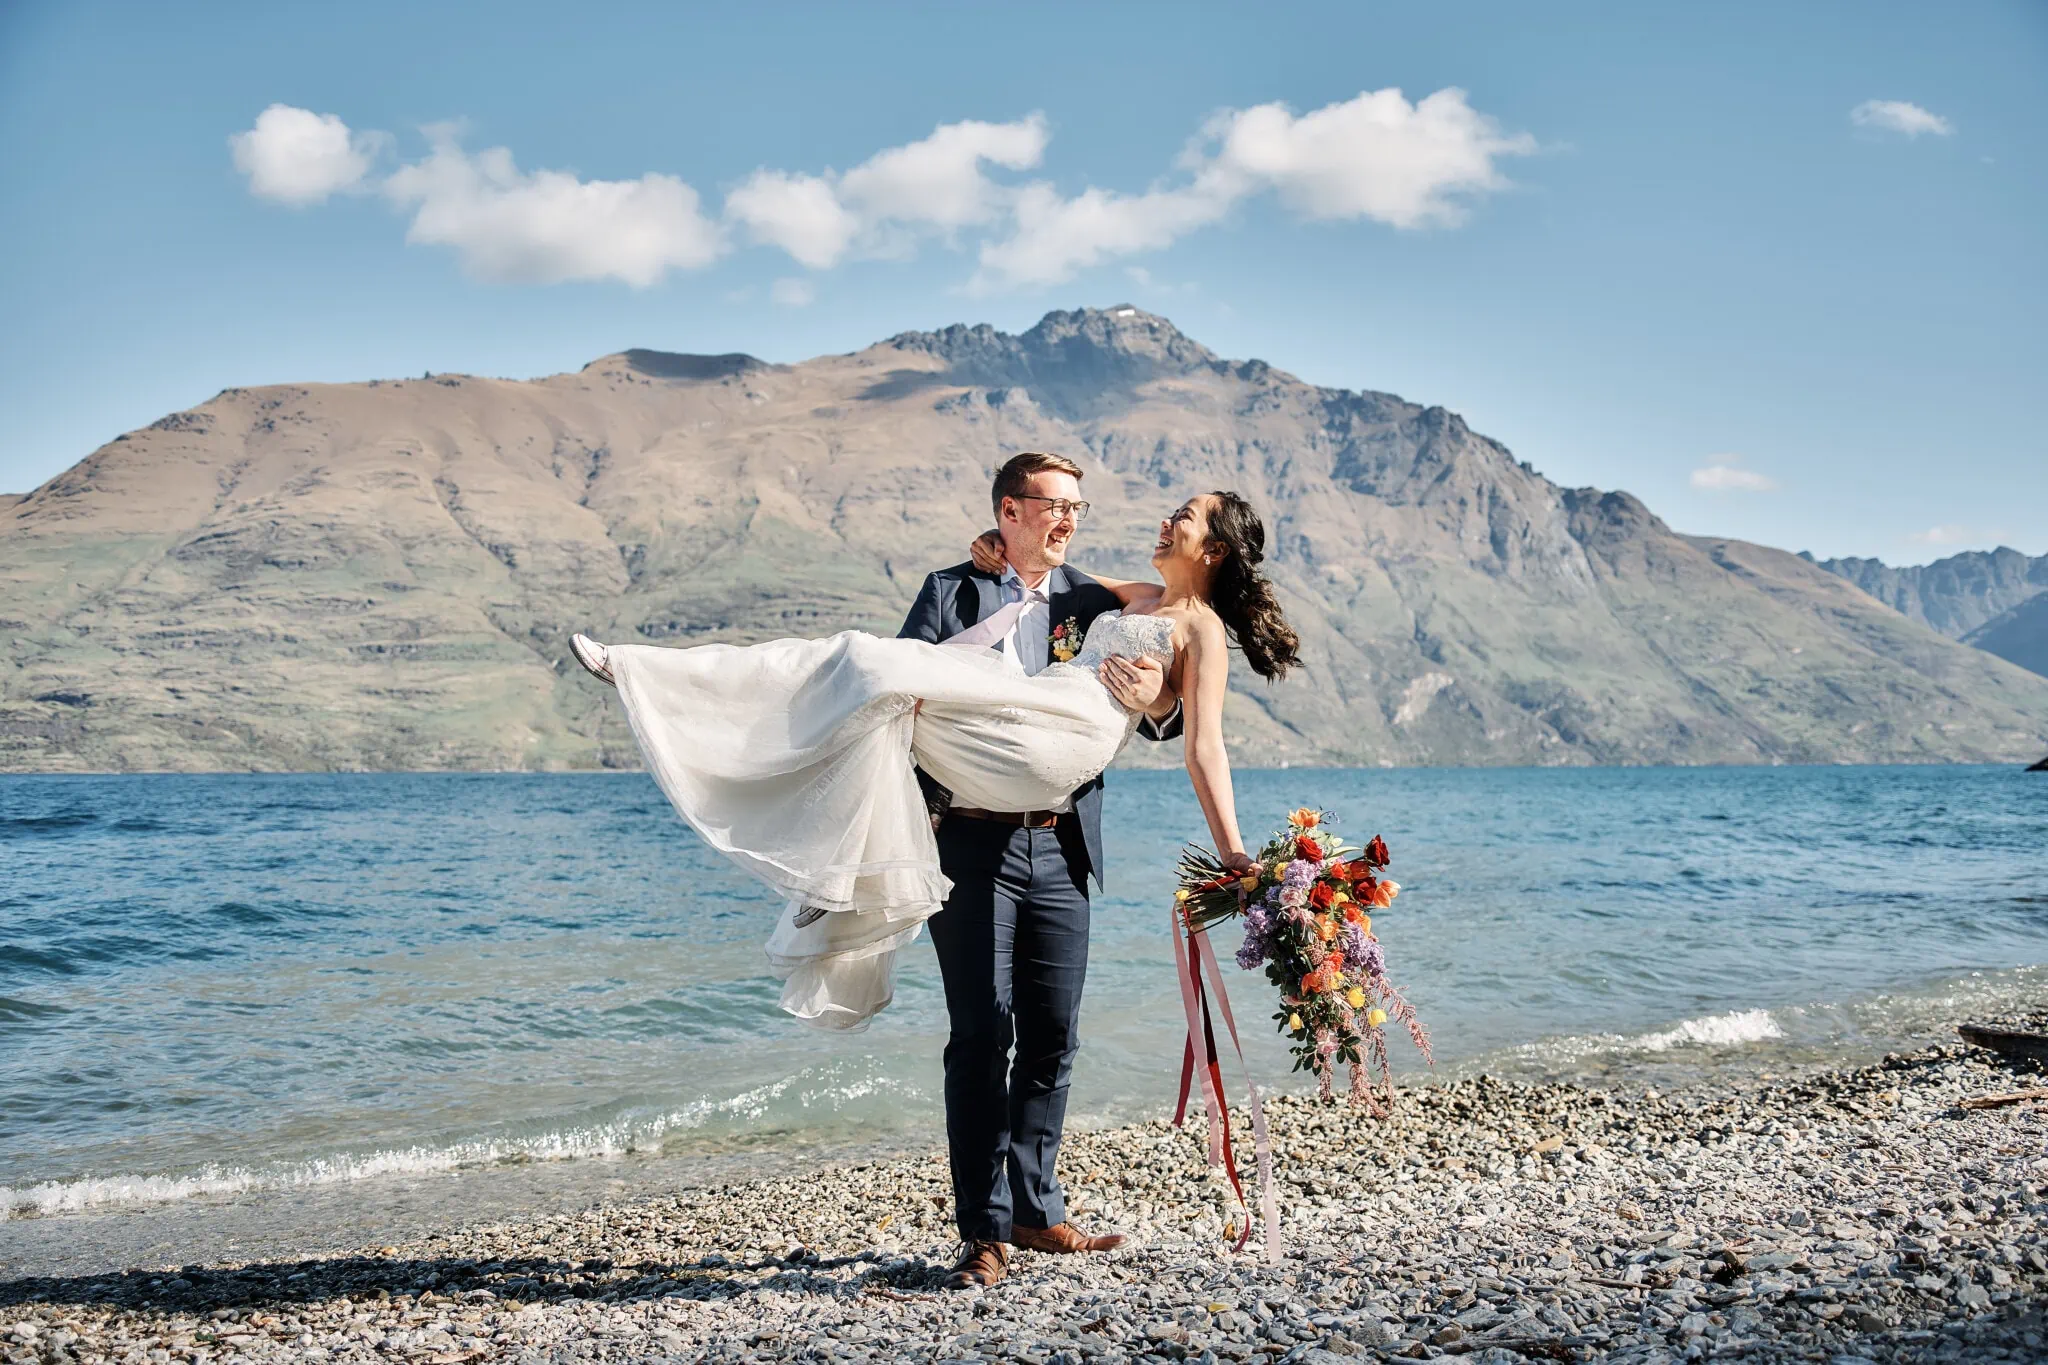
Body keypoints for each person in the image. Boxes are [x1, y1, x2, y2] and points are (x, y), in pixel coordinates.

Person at [568, 455, 1300, 1288]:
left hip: (1060, 836)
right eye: (1052, 507)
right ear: (1010, 511)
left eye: (1186, 515)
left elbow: (1194, 733)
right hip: (973, 832)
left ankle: (1036, 1210)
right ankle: (653, 675)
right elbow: (915, 677)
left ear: (1212, 551)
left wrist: (1176, 735)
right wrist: (998, 551)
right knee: (981, 1027)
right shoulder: (970, 587)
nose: (1079, 521)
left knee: (1053, 1033)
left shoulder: (1118, 606)